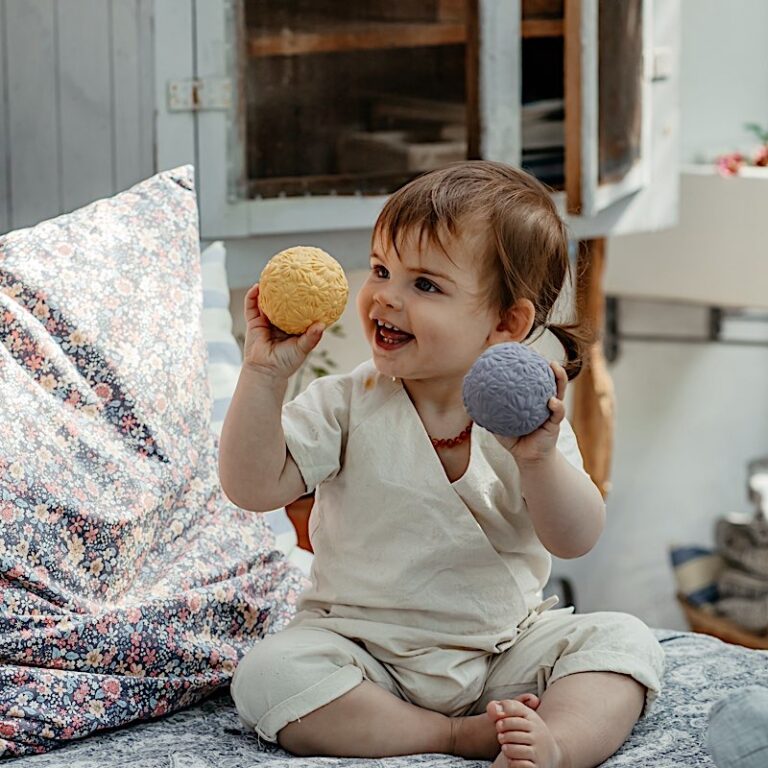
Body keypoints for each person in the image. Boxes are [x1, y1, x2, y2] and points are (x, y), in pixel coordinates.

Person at [219, 161, 664, 768]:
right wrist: (263, 375)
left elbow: (576, 537)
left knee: (623, 641)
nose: (385, 296)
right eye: (381, 270)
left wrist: (538, 461)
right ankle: (449, 735)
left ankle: (557, 745)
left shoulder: (530, 419)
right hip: (363, 653)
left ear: (506, 322)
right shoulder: (346, 401)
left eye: (425, 285)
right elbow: (251, 487)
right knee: (268, 676)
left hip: (502, 651)